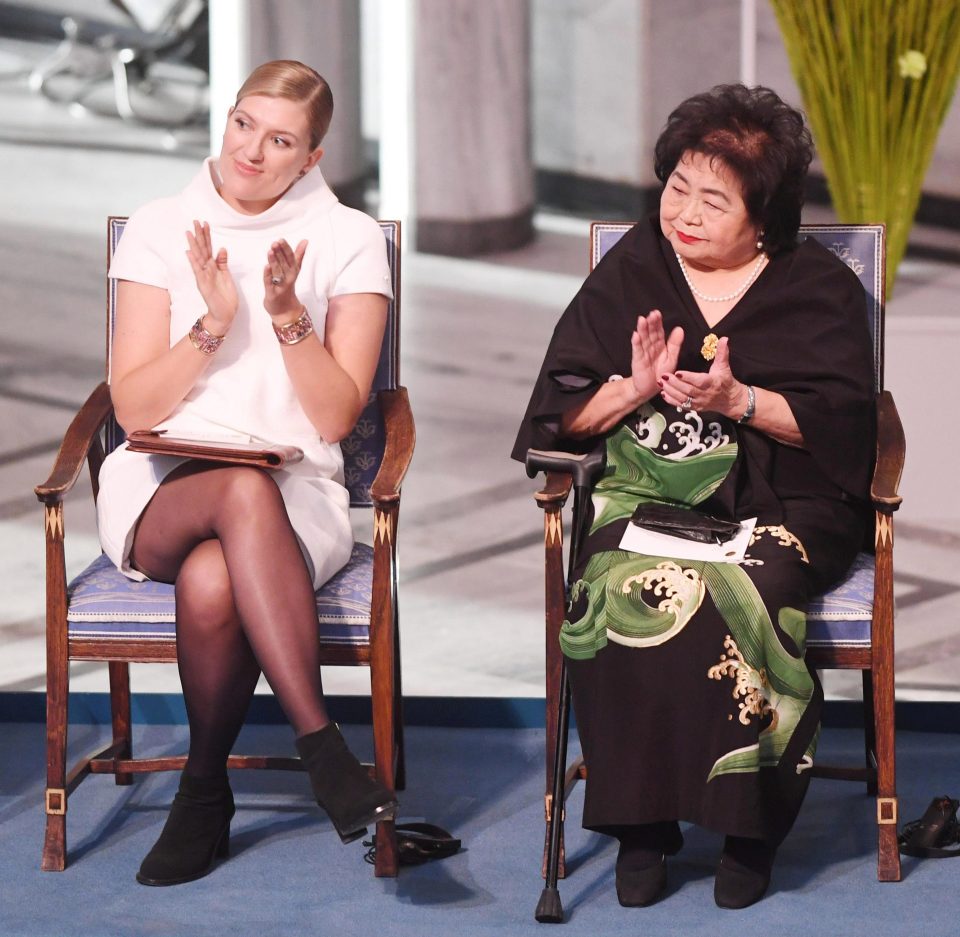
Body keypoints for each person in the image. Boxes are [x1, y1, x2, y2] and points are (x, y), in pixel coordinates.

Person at [513, 84, 875, 909]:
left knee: (753, 584)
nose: (686, 211)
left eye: (715, 199)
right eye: (678, 185)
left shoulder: (815, 285)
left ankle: (748, 829)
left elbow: (845, 425)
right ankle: (641, 826)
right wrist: (628, 387)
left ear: (765, 218)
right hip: (649, 488)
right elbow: (558, 408)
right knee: (610, 583)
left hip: (784, 503)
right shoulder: (635, 265)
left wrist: (736, 402)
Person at [97, 60, 398, 886]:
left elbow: (336, 417)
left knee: (212, 578)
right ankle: (323, 744)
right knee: (234, 488)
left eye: (281, 141)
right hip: (162, 480)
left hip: (295, 493)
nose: (252, 153)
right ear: (224, 120)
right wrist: (213, 324)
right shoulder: (161, 228)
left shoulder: (348, 237)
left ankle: (202, 791)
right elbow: (132, 409)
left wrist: (288, 316)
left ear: (313, 157)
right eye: (243, 125)